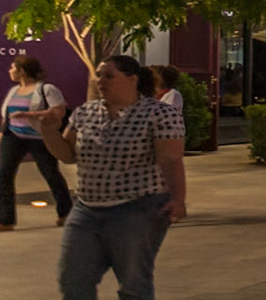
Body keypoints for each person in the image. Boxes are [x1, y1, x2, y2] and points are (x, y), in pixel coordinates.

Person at [33, 53, 185, 300]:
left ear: (132, 79)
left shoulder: (159, 114)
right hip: (87, 209)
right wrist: (49, 133)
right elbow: (68, 155)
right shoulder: (85, 112)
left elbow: (170, 159)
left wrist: (179, 198)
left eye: (109, 76)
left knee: (134, 283)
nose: (100, 81)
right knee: (73, 279)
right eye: (99, 76)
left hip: (138, 208)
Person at [3, 54, 72, 230]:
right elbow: (7, 116)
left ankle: (66, 212)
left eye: (13, 68)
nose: (10, 71)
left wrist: (27, 115)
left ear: (22, 71)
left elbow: (58, 111)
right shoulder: (14, 91)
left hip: (39, 137)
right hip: (14, 136)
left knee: (50, 173)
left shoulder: (46, 89)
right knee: (3, 173)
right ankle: (5, 219)